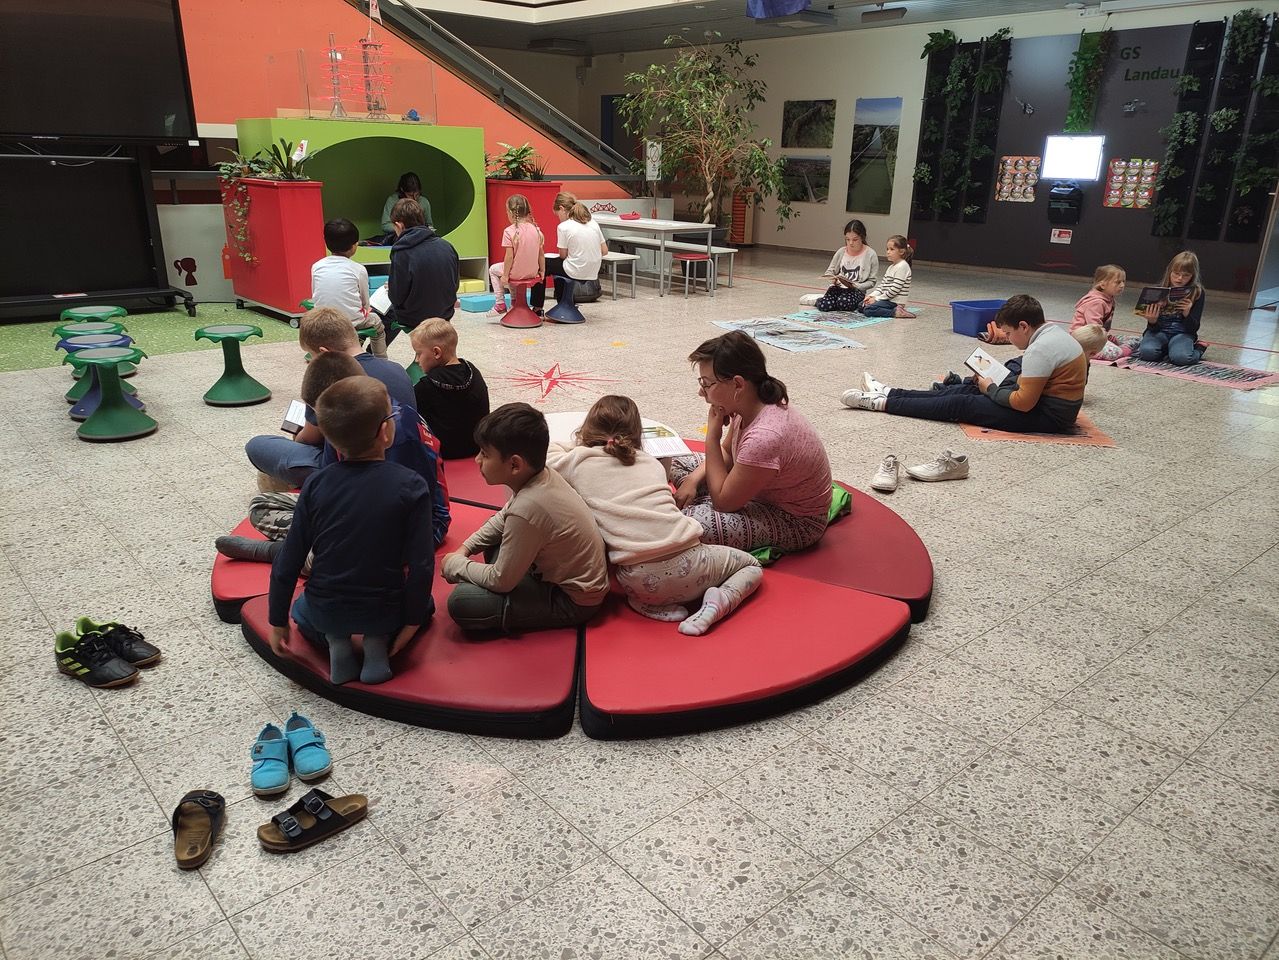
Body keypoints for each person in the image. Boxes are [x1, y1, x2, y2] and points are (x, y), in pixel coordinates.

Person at [268, 377, 435, 686]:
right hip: (386, 610)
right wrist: (411, 623)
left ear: (331, 439)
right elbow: (422, 564)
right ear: (385, 431)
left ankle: (337, 641)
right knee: (427, 605)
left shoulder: (315, 484)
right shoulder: (411, 485)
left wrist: (277, 620)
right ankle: (377, 642)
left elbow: (289, 558)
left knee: (302, 610)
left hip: (326, 610)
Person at [547, 396, 762, 636]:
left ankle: (648, 604)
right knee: (751, 565)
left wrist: (579, 445)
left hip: (636, 581)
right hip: (694, 566)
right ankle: (719, 602)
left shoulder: (576, 460)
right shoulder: (651, 463)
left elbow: (545, 454)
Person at [219, 352, 451, 563]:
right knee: (261, 506)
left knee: (355, 556)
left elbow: (405, 511)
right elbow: (333, 477)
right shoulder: (345, 418)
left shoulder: (397, 435)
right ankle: (310, 549)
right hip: (358, 510)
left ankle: (281, 553)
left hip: (409, 528)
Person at [441, 403, 609, 633]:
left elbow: (501, 581)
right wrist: (465, 548)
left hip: (571, 601)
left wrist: (456, 565)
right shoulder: (541, 476)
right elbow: (503, 518)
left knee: (462, 602)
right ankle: (507, 575)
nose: (477, 460)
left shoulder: (529, 506)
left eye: (485, 454)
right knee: (495, 534)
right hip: (547, 570)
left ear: (514, 465)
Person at [670, 332, 832, 553]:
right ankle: (707, 496)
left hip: (793, 520)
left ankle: (705, 501)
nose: (701, 392)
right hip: (751, 491)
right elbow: (727, 453)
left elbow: (723, 503)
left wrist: (712, 436)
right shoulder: (748, 404)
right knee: (675, 459)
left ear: (738, 384)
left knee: (688, 524)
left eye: (707, 384)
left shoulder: (765, 436)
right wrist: (691, 481)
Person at [842, 294, 1087, 434]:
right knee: (970, 388)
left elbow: (1023, 403)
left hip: (1049, 417)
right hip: (1045, 404)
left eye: (1009, 333)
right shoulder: (1052, 333)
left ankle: (881, 403)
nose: (1009, 339)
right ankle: (890, 393)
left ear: (1023, 326)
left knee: (961, 403)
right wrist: (989, 386)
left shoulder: (1039, 349)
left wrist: (991, 389)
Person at [244, 307, 417, 490]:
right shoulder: (397, 369)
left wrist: (298, 433)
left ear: (324, 352)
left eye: (312, 355)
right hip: (402, 460)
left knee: (257, 446)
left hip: (347, 470)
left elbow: (308, 439)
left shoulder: (329, 379)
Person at [410, 319, 490, 460]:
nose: (417, 360)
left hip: (443, 452)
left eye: (418, 353)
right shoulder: (473, 371)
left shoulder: (426, 386)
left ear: (436, 352)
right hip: (477, 445)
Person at [386, 197, 459, 346]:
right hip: (445, 313)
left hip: (415, 317)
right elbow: (455, 284)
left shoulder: (401, 251)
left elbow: (397, 297)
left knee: (383, 313)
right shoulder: (447, 245)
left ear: (399, 225)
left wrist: (390, 288)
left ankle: (374, 353)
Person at [311, 217, 383, 358]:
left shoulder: (316, 266)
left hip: (323, 322)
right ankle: (381, 359)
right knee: (378, 325)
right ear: (354, 246)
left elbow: (316, 295)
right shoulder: (358, 269)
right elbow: (365, 303)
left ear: (326, 242)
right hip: (351, 322)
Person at [531, 192, 608, 316]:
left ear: (561, 208)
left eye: (557, 215)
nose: (558, 218)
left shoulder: (564, 226)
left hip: (576, 269)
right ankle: (565, 303)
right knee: (559, 268)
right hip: (594, 270)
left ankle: (537, 307)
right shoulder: (593, 222)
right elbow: (604, 251)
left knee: (540, 265)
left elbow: (563, 256)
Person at [1139, 250, 1206, 366]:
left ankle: (1199, 349)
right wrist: (1152, 321)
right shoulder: (1158, 290)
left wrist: (1187, 313)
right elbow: (1152, 328)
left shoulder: (1197, 293)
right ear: (1169, 271)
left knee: (1182, 358)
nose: (1179, 278)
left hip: (1183, 334)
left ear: (1192, 276)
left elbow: (1193, 328)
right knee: (1147, 353)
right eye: (1176, 273)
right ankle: (1168, 349)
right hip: (1158, 332)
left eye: (1186, 275)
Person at [488, 194, 544, 316]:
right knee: (509, 269)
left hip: (516, 273)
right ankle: (514, 302)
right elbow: (541, 254)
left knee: (493, 270)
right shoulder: (536, 229)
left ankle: (500, 303)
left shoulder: (509, 231)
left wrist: (505, 276)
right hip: (533, 272)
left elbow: (509, 257)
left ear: (510, 213)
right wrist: (542, 271)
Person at [1069, 263, 1133, 360]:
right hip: (1085, 339)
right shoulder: (1096, 302)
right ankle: (1086, 353)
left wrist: (1109, 338)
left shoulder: (1109, 299)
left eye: (1123, 281)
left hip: (1098, 336)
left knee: (1134, 340)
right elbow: (1095, 328)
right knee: (1116, 352)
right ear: (1103, 285)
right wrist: (1107, 339)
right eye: (1117, 282)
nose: (1122, 285)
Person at [814, 219, 878, 312]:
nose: (851, 243)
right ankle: (821, 300)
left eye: (855, 239)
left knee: (843, 303)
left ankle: (838, 302)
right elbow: (830, 271)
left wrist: (857, 286)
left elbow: (872, 281)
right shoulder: (841, 251)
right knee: (824, 306)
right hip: (838, 288)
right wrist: (833, 280)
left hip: (856, 291)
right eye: (847, 239)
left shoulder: (870, 254)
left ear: (862, 238)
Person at [857, 235, 913, 318]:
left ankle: (895, 312)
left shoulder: (903, 266)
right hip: (886, 299)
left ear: (901, 251)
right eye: (887, 249)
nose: (888, 252)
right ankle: (884, 308)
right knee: (861, 305)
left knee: (868, 310)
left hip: (895, 302)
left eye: (892, 249)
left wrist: (876, 299)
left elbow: (894, 290)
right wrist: (871, 296)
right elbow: (882, 286)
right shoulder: (891, 267)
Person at [380, 172, 432, 239]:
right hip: (398, 238)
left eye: (417, 194)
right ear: (402, 190)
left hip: (420, 238)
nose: (414, 198)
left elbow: (429, 225)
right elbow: (385, 225)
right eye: (410, 195)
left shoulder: (424, 202)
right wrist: (404, 229)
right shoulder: (392, 200)